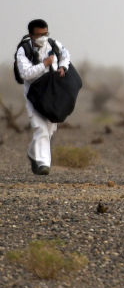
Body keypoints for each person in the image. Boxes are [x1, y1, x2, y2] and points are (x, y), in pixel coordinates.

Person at [15, 19, 71, 175]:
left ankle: (33, 154)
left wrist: (62, 67)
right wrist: (44, 64)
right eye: (39, 34)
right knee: (40, 128)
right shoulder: (24, 50)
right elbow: (25, 73)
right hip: (34, 94)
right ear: (31, 35)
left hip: (52, 93)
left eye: (45, 33)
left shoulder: (53, 44)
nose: (43, 37)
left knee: (50, 128)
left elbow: (66, 56)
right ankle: (43, 164)